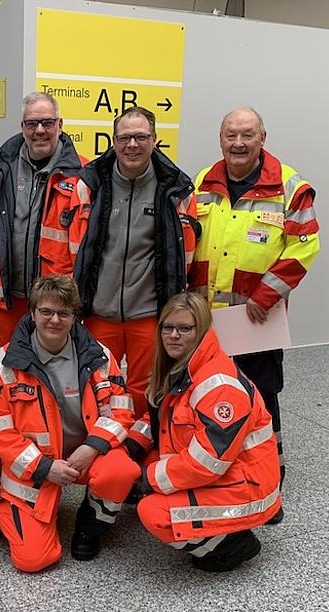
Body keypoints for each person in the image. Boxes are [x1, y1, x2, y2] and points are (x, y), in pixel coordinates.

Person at [189, 107, 320, 523]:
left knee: (262, 395)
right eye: (231, 135)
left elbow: (305, 246)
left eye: (247, 135)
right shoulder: (201, 182)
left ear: (263, 136)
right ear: (220, 138)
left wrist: (266, 295)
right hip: (207, 319)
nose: (238, 143)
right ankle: (219, 467)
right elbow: (186, 240)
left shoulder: (290, 186)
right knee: (211, 394)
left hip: (255, 320)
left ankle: (269, 479)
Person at [0, 275, 140, 572]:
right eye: (46, 312)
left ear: (75, 316)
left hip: (87, 455)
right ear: (32, 313)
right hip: (34, 468)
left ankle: (91, 524)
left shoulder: (99, 356)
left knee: (121, 470)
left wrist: (91, 448)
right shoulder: (4, 363)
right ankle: (16, 508)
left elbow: (121, 410)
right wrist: (44, 467)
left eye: (64, 313)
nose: (55, 320)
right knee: (33, 560)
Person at [126, 293, 281, 572]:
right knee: (130, 468)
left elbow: (206, 463)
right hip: (226, 471)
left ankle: (232, 545)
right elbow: (160, 420)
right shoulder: (180, 367)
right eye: (167, 327)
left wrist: (147, 479)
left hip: (247, 487)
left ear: (202, 331)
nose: (173, 335)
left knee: (155, 512)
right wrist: (131, 448)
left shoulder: (219, 387)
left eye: (185, 328)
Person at [75, 106, 199, 418]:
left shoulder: (175, 190)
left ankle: (140, 448)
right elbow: (71, 248)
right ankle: (102, 448)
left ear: (155, 140)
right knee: (97, 383)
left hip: (148, 312)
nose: (133, 145)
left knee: (147, 387)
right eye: (125, 137)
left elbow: (188, 255)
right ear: (113, 141)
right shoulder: (90, 185)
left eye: (141, 137)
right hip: (99, 312)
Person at [0, 92, 87, 345]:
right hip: (6, 297)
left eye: (47, 123)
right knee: (7, 364)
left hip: (55, 300)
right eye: (32, 123)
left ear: (60, 125)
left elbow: (89, 243)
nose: (39, 130)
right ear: (22, 127)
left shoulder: (82, 175)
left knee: (53, 366)